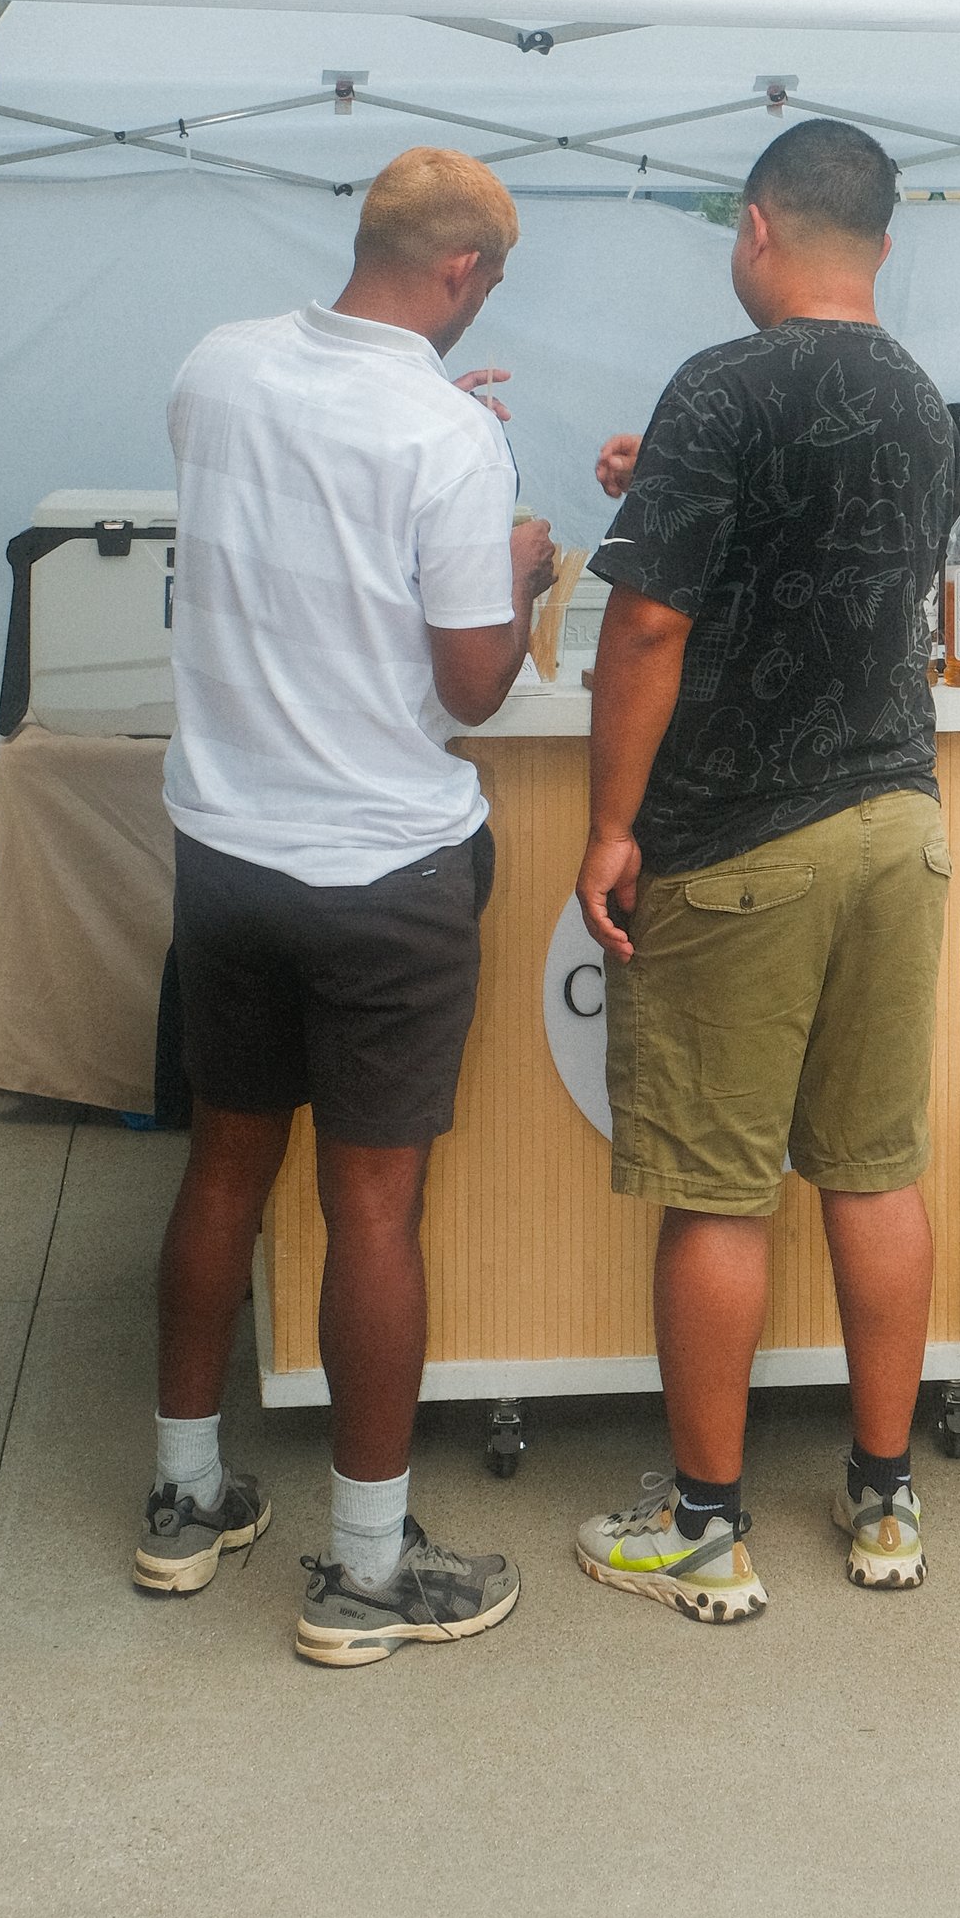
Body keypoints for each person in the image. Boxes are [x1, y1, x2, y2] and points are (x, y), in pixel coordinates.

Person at [142, 148, 558, 1670]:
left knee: (225, 1171)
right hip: (384, 865)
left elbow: (282, 542)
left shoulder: (216, 368)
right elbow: (471, 681)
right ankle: (369, 1569)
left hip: (226, 852)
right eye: (490, 284)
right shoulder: (452, 436)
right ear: (462, 274)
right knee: (374, 1209)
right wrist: (513, 560)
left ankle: (185, 1499)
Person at [572, 117, 956, 1626]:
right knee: (874, 1166)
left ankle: (709, 1530)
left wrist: (611, 822)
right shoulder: (924, 402)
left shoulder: (722, 384)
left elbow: (650, 625)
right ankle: (883, 1503)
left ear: (757, 228)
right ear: (882, 240)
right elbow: (833, 555)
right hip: (898, 826)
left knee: (721, 1193)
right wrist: (654, 468)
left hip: (743, 839)